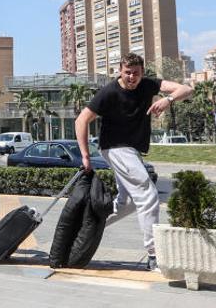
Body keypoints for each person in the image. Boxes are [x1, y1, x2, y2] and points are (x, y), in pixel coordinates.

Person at [75, 52, 193, 271]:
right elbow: (82, 119)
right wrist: (84, 155)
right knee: (148, 195)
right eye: (127, 73)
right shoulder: (108, 92)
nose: (131, 77)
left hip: (131, 151)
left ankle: (88, 224)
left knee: (128, 202)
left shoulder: (148, 85)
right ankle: (154, 255)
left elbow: (187, 89)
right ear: (120, 70)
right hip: (115, 147)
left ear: (142, 73)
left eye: (136, 73)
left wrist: (167, 100)